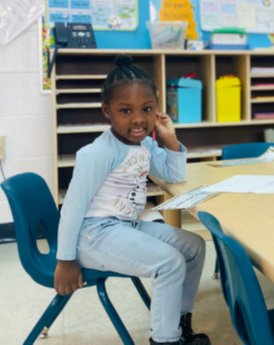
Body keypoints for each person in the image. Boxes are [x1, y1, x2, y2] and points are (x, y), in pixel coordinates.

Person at [55, 55, 210, 345]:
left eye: (147, 109)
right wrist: (65, 260)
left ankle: (176, 322)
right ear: (107, 111)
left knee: (194, 246)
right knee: (170, 262)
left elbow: (173, 175)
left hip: (125, 226)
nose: (138, 119)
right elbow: (73, 208)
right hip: (93, 235)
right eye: (125, 110)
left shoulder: (145, 143)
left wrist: (170, 139)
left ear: (156, 109)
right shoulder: (99, 153)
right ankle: (165, 340)